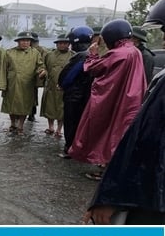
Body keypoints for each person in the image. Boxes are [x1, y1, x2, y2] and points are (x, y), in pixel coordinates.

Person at [82, 0, 165, 224]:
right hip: (132, 106)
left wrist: (110, 196)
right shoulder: (135, 53)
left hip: (151, 202)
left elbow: (146, 144)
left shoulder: (118, 54)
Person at [67, 19, 147, 180]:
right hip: (131, 100)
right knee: (120, 133)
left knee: (108, 132)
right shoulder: (134, 51)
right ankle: (113, 169)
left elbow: (94, 69)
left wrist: (93, 55)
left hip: (117, 99)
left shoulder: (118, 54)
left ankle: (106, 168)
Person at [0, 31, 46, 136]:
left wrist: (42, 71)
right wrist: (2, 84)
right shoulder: (9, 53)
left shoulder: (35, 53)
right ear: (18, 41)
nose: (25, 43)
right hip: (12, 83)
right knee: (11, 105)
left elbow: (40, 66)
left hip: (27, 84)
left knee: (25, 105)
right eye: (23, 40)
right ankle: (12, 124)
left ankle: (20, 126)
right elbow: (3, 69)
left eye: (28, 41)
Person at [57, 26, 94, 159]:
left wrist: (62, 85)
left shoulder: (81, 56)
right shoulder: (91, 55)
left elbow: (69, 76)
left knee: (71, 122)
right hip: (84, 95)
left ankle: (69, 148)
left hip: (74, 96)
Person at [40, 34, 74, 138]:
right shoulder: (49, 55)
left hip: (64, 87)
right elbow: (43, 65)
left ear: (68, 44)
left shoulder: (73, 55)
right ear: (56, 44)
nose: (62, 45)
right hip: (51, 85)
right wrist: (43, 71)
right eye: (60, 43)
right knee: (50, 107)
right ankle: (50, 127)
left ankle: (59, 129)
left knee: (61, 109)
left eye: (65, 43)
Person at [28, 32, 48, 122]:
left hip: (36, 75)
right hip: (24, 75)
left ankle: (31, 114)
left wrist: (43, 71)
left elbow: (46, 62)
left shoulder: (42, 50)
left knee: (33, 95)